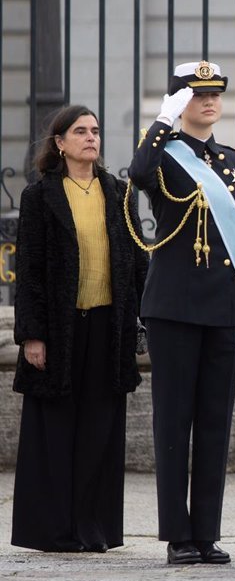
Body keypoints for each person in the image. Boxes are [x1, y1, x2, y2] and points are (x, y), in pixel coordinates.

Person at [128, 60, 235, 566]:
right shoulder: (163, 155)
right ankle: (177, 535)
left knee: (215, 421)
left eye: (214, 95)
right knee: (173, 421)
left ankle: (206, 532)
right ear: (179, 101)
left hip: (224, 306)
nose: (208, 102)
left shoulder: (234, 161)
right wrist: (161, 123)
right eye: (196, 95)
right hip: (173, 307)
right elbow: (138, 174)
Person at [11, 105, 147, 553]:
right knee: (55, 429)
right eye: (80, 131)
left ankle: (95, 528)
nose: (91, 138)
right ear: (60, 143)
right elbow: (29, 270)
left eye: (95, 130)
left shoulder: (119, 192)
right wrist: (32, 335)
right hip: (58, 330)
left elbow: (137, 262)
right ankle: (54, 529)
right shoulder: (40, 196)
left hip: (108, 327)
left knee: (100, 429)